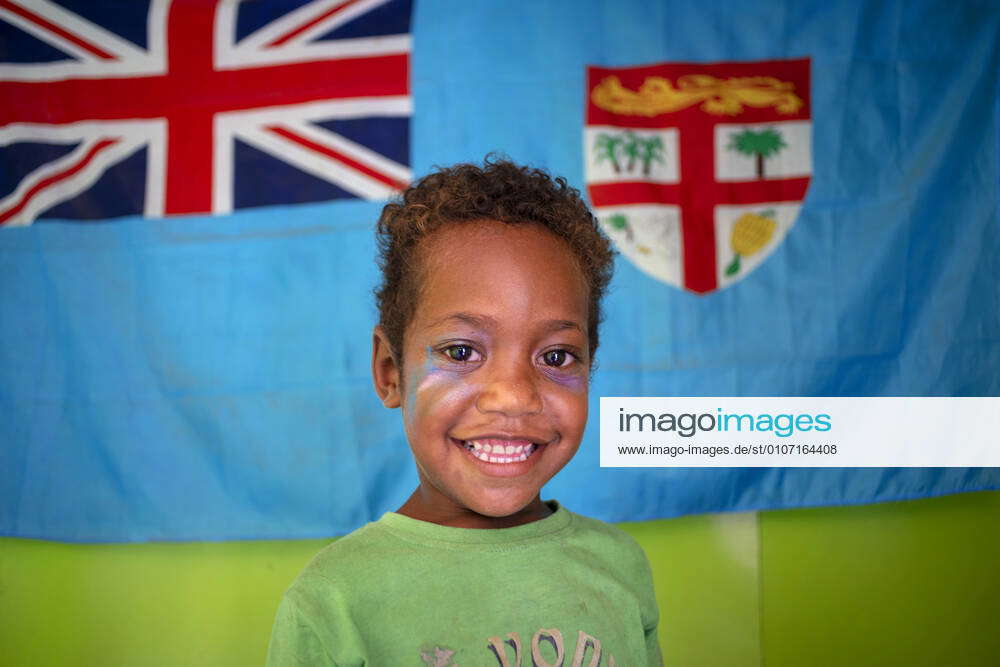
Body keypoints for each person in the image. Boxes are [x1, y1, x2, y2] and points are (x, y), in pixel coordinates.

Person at [266, 158, 663, 666]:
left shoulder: (620, 567)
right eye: (460, 352)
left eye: (556, 356)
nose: (514, 396)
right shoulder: (335, 600)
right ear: (391, 372)